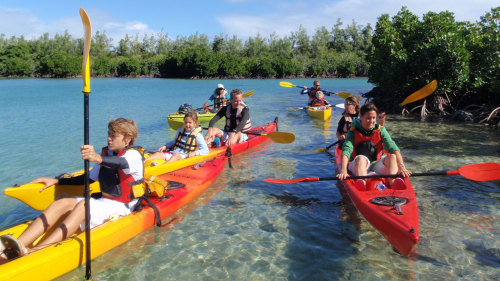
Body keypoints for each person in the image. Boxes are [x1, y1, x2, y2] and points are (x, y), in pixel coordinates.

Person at [0, 118, 144, 264]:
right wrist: (57, 181)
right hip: (104, 202)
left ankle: (34, 253)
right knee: (63, 199)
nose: (109, 138)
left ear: (127, 139)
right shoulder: (107, 154)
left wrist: (95, 157)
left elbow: (121, 163)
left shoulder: (133, 155)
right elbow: (88, 179)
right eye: (109, 133)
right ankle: (14, 247)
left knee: (84, 205)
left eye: (114, 135)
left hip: (123, 207)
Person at [336, 102, 411, 190]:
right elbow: (346, 150)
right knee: (361, 158)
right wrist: (344, 171)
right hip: (358, 165)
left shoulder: (380, 130)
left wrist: (402, 167)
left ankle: (393, 182)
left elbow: (393, 148)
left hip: (376, 164)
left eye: (374, 118)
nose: (371, 121)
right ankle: (361, 183)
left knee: (392, 157)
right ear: (361, 117)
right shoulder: (353, 130)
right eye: (368, 118)